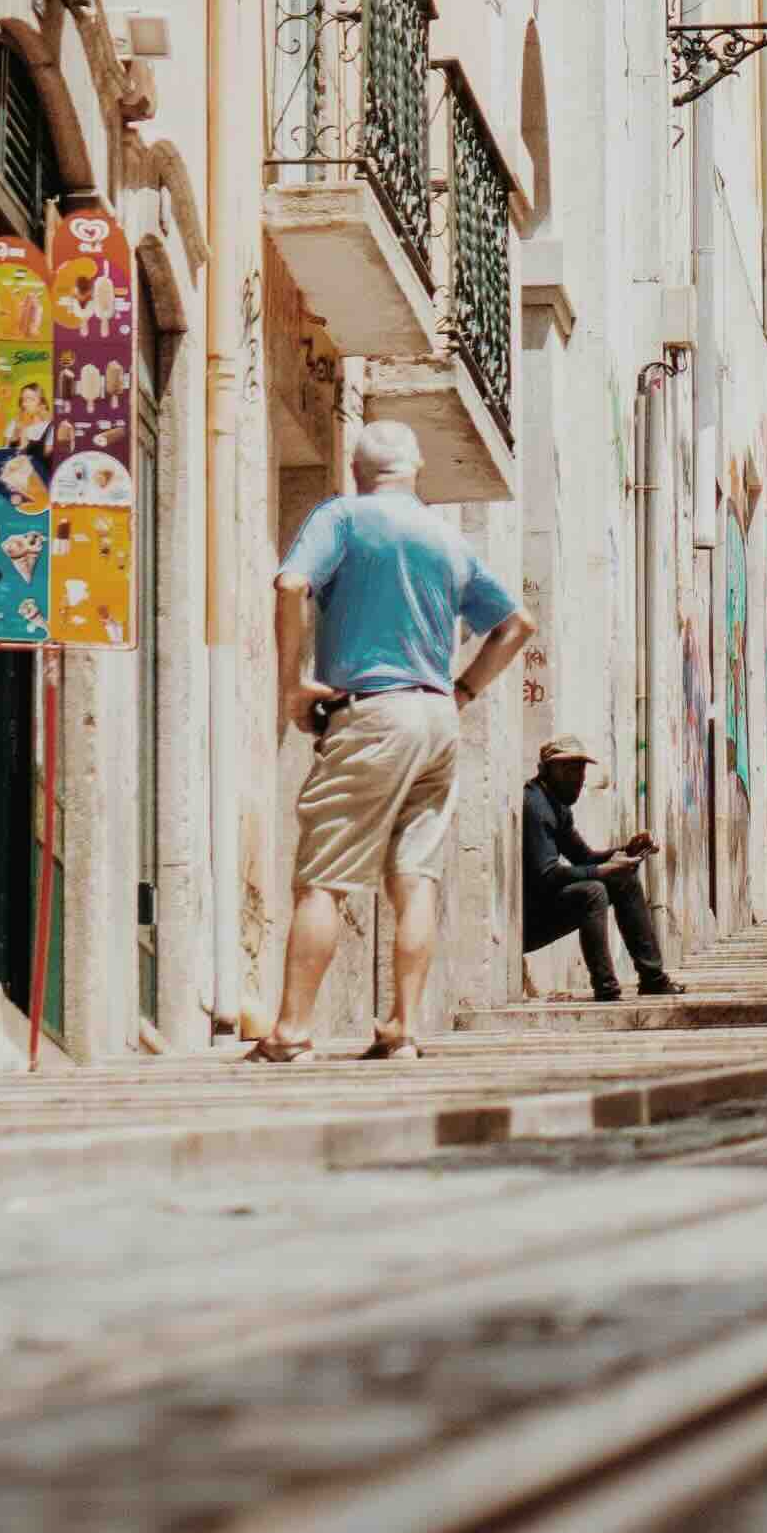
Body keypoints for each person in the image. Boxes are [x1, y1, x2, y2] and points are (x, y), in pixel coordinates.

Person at [265, 417, 532, 1062]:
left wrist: (293, 685)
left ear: (357, 470)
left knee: (323, 879)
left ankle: (292, 1031)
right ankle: (404, 1027)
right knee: (414, 875)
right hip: (438, 716)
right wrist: (463, 691)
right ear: (415, 474)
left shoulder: (343, 518)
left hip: (373, 712)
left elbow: (291, 584)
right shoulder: (447, 538)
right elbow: (518, 623)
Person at [522, 738, 679, 1001]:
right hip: (527, 924)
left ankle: (653, 978)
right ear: (547, 770)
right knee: (592, 892)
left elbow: (583, 857)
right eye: (570, 770)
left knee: (623, 878)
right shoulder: (535, 806)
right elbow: (547, 874)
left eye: (581, 770)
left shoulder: (557, 805)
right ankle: (606, 988)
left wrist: (625, 851)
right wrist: (604, 870)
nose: (579, 779)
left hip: (543, 907)